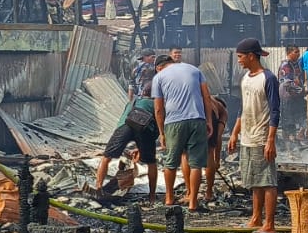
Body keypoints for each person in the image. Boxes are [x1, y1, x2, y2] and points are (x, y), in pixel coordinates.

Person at [227, 38, 281, 233]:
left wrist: (271, 140)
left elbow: (275, 111)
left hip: (261, 137)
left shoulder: (269, 78)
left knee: (267, 181)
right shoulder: (246, 78)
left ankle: (270, 225)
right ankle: (256, 218)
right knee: (255, 180)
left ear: (251, 56)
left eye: (241, 57)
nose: (239, 60)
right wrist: (234, 132)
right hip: (247, 137)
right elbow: (243, 108)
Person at [152, 51, 216, 211]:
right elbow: (206, 97)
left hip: (174, 122)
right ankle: (193, 202)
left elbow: (158, 109)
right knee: (196, 164)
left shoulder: (158, 77)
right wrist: (208, 121)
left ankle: (169, 198)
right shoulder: (195, 70)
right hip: (197, 119)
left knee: (171, 162)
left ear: (159, 67)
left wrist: (161, 132)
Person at [96, 88, 160, 198]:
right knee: (151, 163)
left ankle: (98, 187)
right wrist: (142, 148)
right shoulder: (157, 104)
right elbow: (157, 126)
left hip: (125, 126)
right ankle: (152, 196)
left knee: (106, 157)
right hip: (145, 130)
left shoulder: (132, 102)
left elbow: (121, 121)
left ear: (143, 93)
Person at [277, 45, 307, 146]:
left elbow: (299, 79)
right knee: (287, 120)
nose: (298, 54)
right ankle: (288, 144)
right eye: (296, 52)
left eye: (298, 51)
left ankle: (294, 140)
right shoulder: (286, 65)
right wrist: (301, 90)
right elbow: (288, 82)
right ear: (289, 53)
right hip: (287, 96)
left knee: (298, 118)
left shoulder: (296, 64)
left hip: (297, 96)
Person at [203, 95, 228, 205]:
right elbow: (218, 137)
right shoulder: (222, 111)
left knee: (187, 155)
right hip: (210, 115)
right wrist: (217, 160)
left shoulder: (207, 97)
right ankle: (208, 192)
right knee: (209, 153)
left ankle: (190, 193)